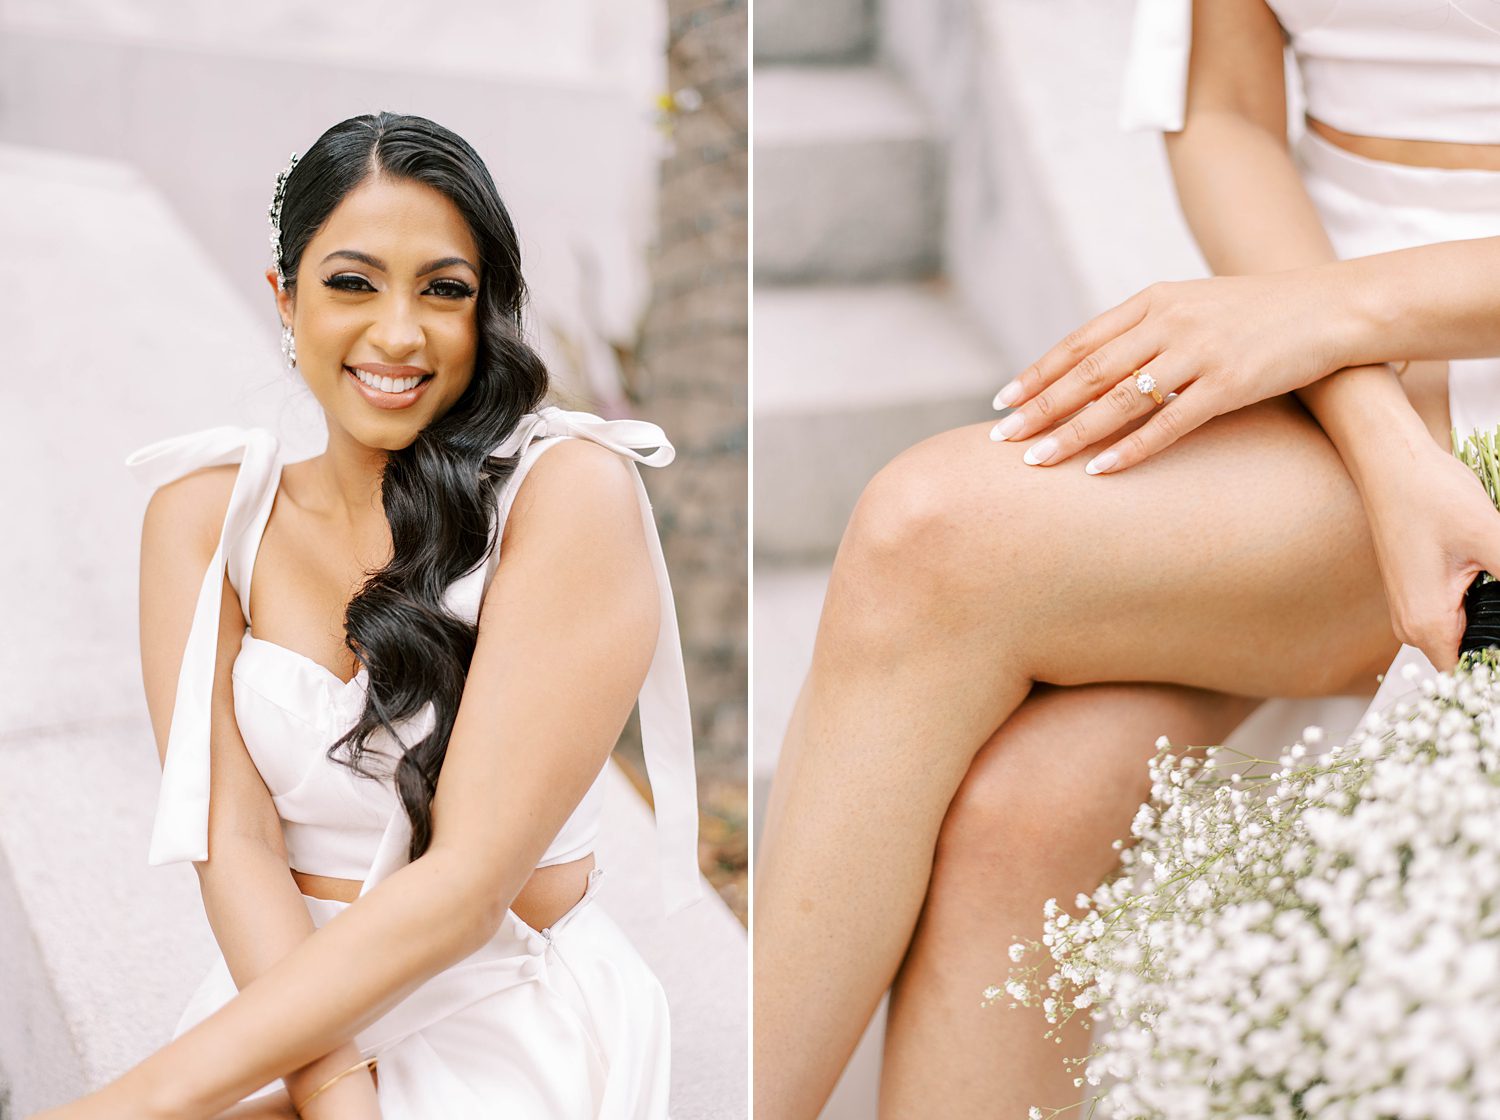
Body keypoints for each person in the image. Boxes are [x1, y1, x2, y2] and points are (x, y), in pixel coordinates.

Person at [752, 2, 1500, 1116]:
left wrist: (1334, 318)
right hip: (1327, 358)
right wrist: (1360, 403)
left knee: (932, 532)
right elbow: (1226, 110)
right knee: (1024, 815)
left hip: (1403, 329)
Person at [38, 111, 701, 1120]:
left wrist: (128, 1102)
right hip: (285, 1002)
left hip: (506, 1015)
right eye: (353, 282)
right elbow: (238, 839)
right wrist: (334, 1083)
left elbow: (469, 884)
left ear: (487, 314)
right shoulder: (203, 519)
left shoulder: (566, 495)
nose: (399, 333)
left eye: (444, 289)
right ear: (286, 299)